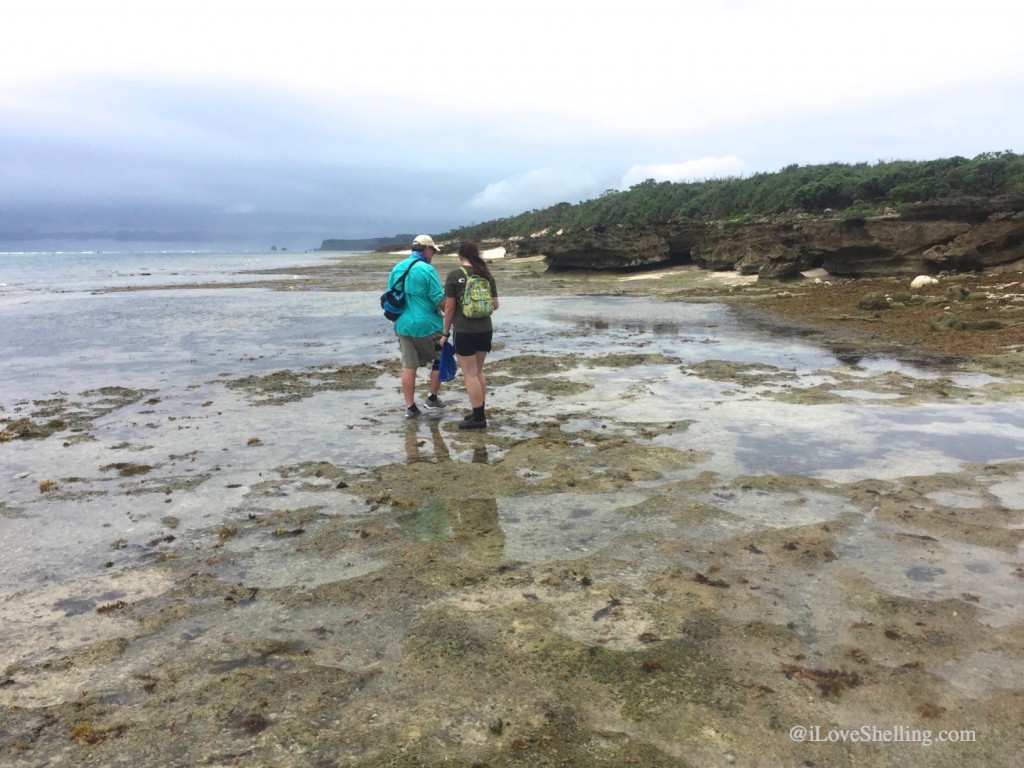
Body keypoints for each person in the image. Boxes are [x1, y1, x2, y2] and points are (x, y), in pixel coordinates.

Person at [389, 235, 448, 418]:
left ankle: (410, 407)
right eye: (433, 252)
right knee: (441, 358)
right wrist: (453, 313)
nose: (433, 255)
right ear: (427, 250)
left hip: (403, 325)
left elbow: (391, 297)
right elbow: (439, 299)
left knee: (409, 366)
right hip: (428, 325)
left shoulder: (397, 268)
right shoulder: (427, 270)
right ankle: (432, 398)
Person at [442, 241, 499, 430]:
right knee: (479, 371)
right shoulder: (486, 274)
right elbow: (495, 305)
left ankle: (479, 419)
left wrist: (445, 333)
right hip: (485, 329)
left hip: (465, 330)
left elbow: (449, 308)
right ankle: (478, 412)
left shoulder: (454, 275)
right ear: (476, 254)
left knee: (470, 374)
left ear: (460, 255)